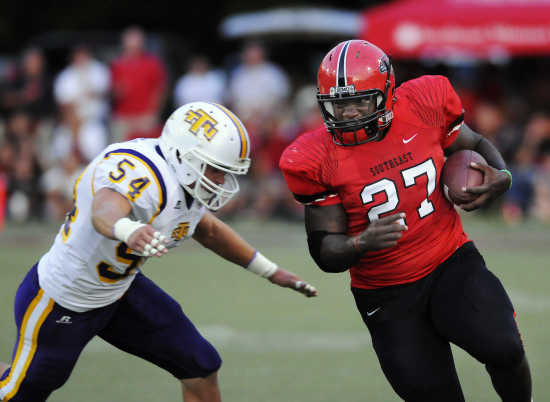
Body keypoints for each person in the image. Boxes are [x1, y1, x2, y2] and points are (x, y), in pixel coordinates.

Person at [0, 101, 317, 402]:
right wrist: (130, 229)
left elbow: (207, 229)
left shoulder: (183, 179)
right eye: (216, 170)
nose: (222, 180)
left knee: (200, 365)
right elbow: (103, 211)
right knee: (18, 393)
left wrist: (270, 271)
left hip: (119, 291)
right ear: (185, 156)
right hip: (62, 300)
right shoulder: (144, 174)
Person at [279, 40, 531, 402]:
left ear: (386, 93)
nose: (348, 114)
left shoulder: (426, 103)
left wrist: (501, 175)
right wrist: (360, 243)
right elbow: (324, 249)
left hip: (449, 261)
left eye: (358, 102)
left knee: (504, 348)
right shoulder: (313, 157)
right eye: (339, 104)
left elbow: (474, 143)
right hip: (386, 292)